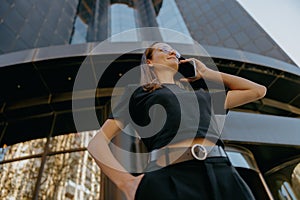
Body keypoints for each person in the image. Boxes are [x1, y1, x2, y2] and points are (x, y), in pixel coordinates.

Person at [87, 42, 267, 200]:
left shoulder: (202, 96)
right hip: (169, 177)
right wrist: (127, 183)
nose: (172, 52)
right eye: (164, 49)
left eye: (174, 51)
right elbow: (97, 144)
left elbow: (257, 90)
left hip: (223, 172)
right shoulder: (138, 93)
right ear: (149, 62)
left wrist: (207, 72)